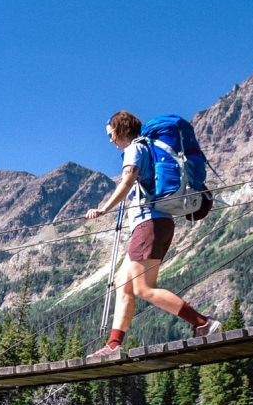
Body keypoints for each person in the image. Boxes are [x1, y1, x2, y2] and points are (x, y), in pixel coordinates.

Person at [83, 110, 222, 357]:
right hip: (153, 224)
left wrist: (104, 209)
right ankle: (114, 345)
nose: (110, 140)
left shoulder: (135, 149)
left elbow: (127, 180)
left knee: (144, 288)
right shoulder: (146, 147)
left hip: (150, 224)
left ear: (121, 130)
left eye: (111, 134)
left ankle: (203, 324)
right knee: (123, 284)